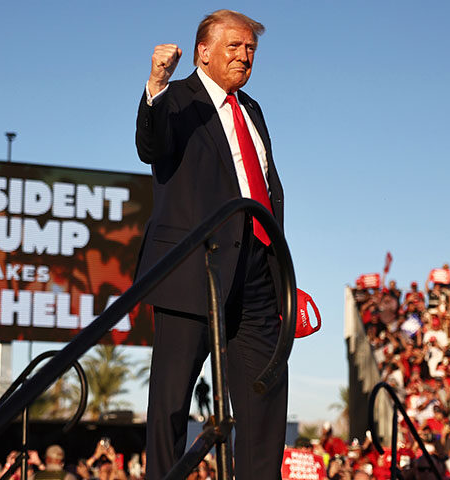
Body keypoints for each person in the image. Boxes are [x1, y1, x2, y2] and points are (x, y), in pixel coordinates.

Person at [135, 9, 287, 479]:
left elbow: (268, 190)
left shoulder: (252, 109)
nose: (245, 56)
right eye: (235, 46)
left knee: (265, 401)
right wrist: (156, 85)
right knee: (171, 405)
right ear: (204, 51)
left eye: (251, 49)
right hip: (192, 271)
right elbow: (151, 146)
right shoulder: (177, 98)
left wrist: (283, 277)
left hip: (258, 275)